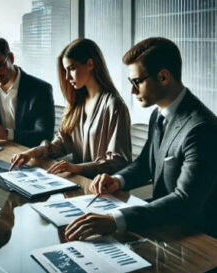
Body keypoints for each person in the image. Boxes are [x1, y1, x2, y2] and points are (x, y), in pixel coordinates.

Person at [65, 37, 217, 241]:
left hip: (200, 242)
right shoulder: (158, 114)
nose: (132, 91)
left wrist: (115, 219)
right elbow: (145, 163)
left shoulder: (202, 128)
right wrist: (117, 180)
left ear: (163, 77)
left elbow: (185, 201)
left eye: (137, 82)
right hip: (164, 228)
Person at [10, 38, 131, 179]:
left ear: (90, 64)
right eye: (65, 71)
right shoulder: (77, 103)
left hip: (103, 189)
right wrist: (32, 153)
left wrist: (77, 168)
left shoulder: (114, 105)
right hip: (79, 182)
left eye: (72, 69)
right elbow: (62, 141)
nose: (67, 77)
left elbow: (118, 162)